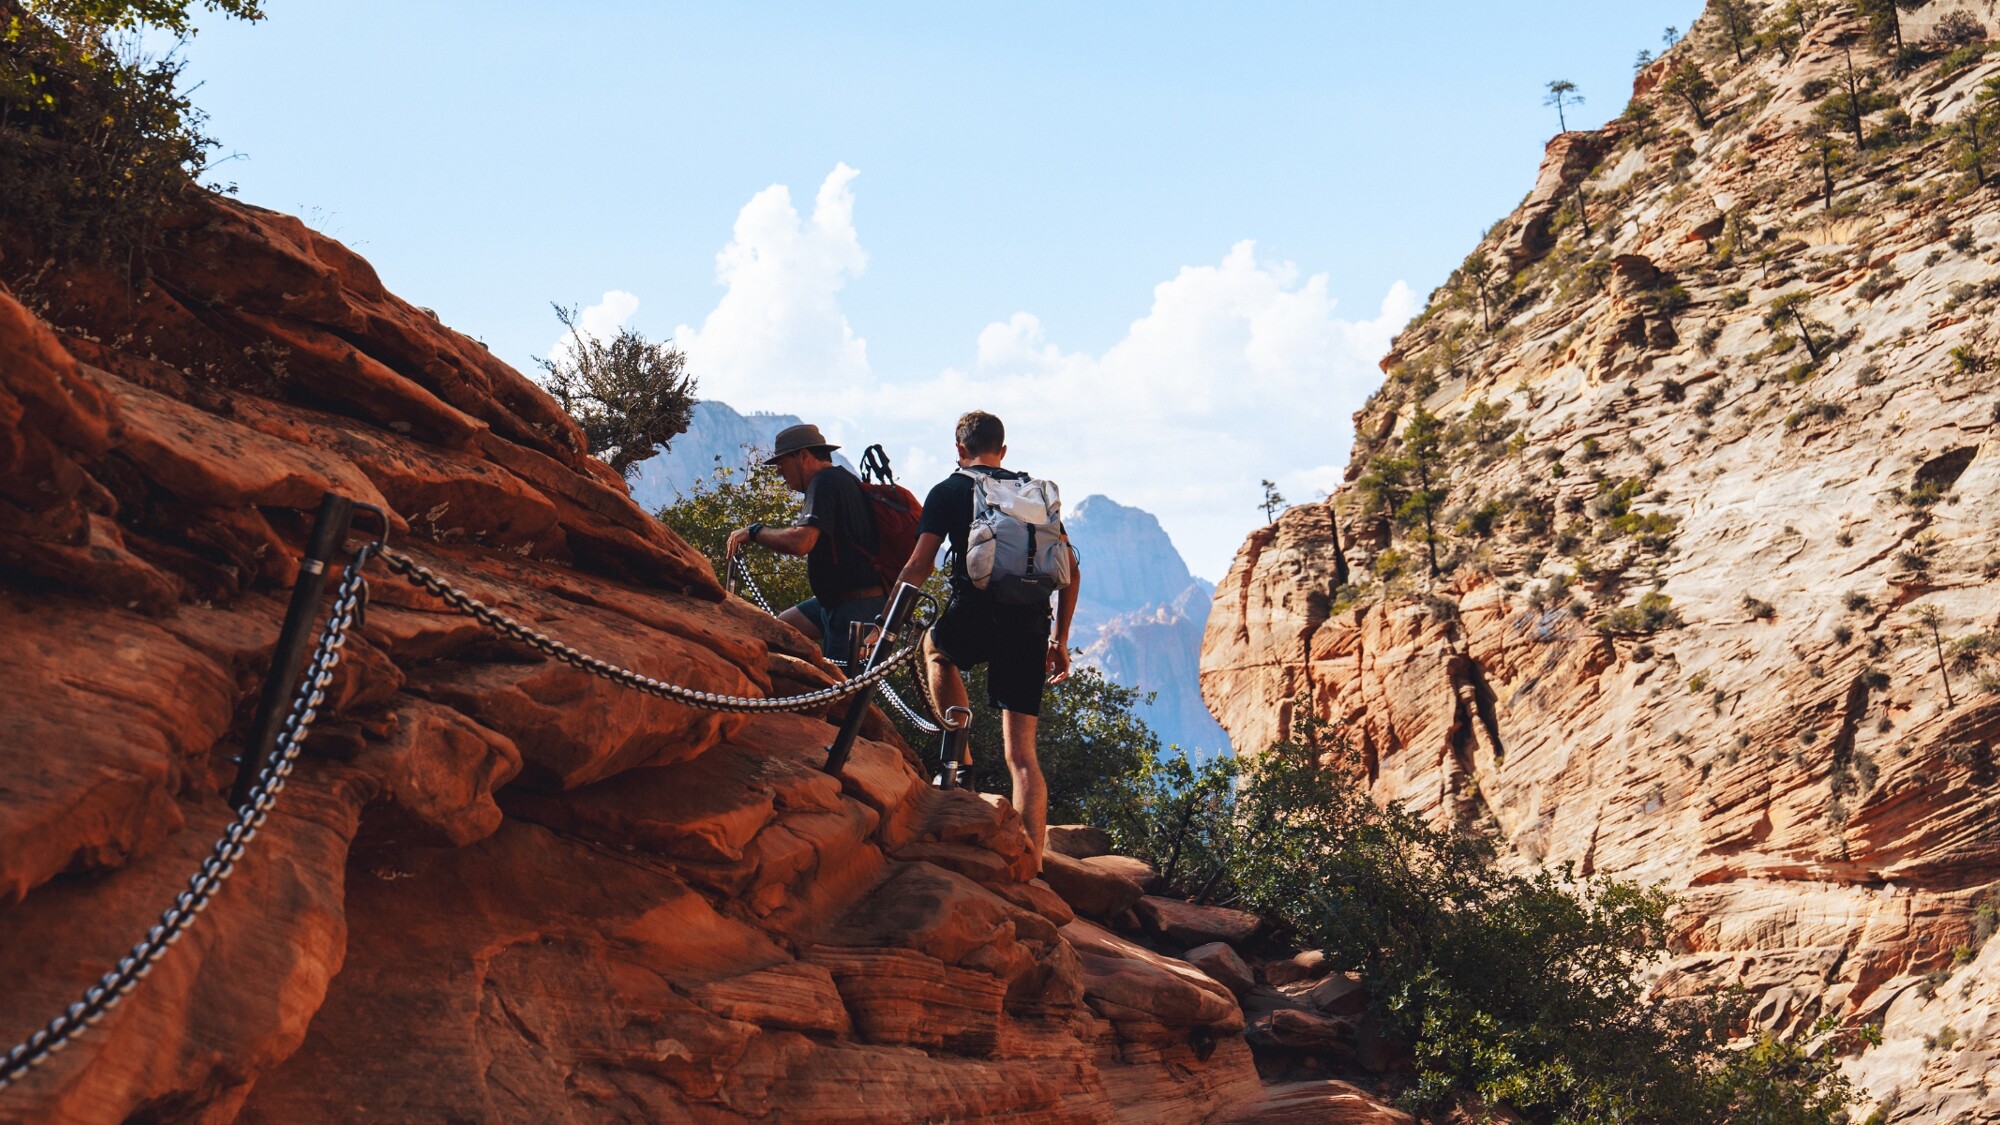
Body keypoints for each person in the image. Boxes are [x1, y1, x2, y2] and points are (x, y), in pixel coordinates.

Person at [895, 410, 1080, 870]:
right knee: (1022, 756)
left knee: (936, 649)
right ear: (1004, 448)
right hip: (1031, 623)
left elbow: (918, 565)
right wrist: (1060, 640)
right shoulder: (1033, 493)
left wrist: (887, 620)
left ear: (960, 450)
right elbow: (1071, 570)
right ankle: (1032, 865)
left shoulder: (950, 489)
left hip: (975, 613)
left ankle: (961, 758)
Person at [726, 423, 886, 667]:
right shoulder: (842, 479)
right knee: (778, 630)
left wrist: (754, 532)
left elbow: (802, 541)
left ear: (803, 456)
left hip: (853, 611)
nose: (780, 472)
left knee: (842, 696)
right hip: (836, 603)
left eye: (783, 463)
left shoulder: (824, 482)